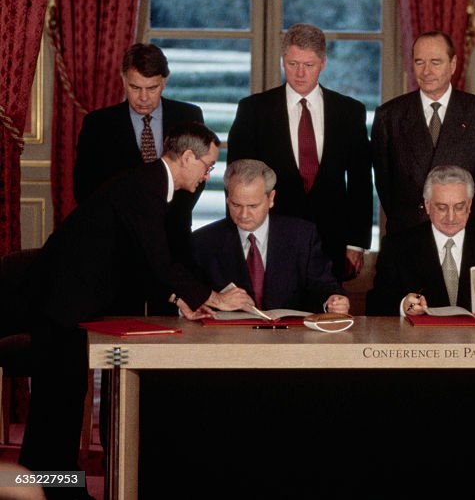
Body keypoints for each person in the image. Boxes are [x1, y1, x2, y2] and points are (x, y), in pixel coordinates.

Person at [20, 123, 253, 484]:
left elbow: (140, 260)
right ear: (187, 157)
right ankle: (45, 489)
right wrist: (212, 297)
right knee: (58, 405)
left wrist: (179, 298)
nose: (209, 174)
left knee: (60, 401)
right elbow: (158, 260)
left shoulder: (152, 184)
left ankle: (48, 488)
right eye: (207, 165)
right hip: (60, 300)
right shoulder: (147, 187)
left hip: (68, 299)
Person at [228, 23, 373, 282]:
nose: (300, 73)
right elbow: (236, 181)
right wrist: (241, 238)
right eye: (293, 63)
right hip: (269, 239)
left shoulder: (349, 112)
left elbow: (361, 184)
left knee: (328, 316)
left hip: (331, 241)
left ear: (323, 64)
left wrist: (356, 243)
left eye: (309, 65)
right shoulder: (253, 110)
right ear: (283, 60)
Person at [73, 43, 204, 270]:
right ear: (123, 79)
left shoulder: (188, 116)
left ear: (164, 81)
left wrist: (163, 220)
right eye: (135, 88)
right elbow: (84, 189)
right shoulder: (98, 124)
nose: (143, 98)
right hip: (117, 245)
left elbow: (198, 177)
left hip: (174, 240)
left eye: (152, 88)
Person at [371, 31, 475, 235]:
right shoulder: (389, 116)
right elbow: (385, 184)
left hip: (466, 235)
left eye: (436, 62)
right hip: (408, 236)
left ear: (453, 64)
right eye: (419, 62)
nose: (426, 71)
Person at [191, 159, 349, 314]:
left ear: (271, 199)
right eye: (236, 205)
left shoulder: (302, 236)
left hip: (290, 336)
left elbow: (325, 287)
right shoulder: (204, 241)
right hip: (230, 337)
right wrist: (214, 300)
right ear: (227, 199)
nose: (244, 215)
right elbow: (189, 296)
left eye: (253, 206)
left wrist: (334, 301)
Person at [367, 165, 475, 316]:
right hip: (421, 338)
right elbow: (375, 304)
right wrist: (403, 305)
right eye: (442, 208)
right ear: (427, 205)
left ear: (469, 206)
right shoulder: (397, 246)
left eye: (459, 207)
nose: (451, 217)